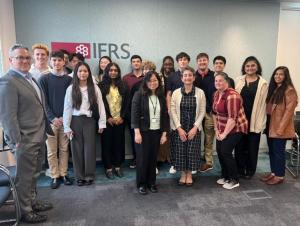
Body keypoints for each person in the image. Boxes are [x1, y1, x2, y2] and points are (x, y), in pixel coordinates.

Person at [0, 44, 54, 223]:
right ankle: (25, 211)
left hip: (38, 136)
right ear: (10, 60)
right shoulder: (7, 81)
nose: (24, 60)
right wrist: (16, 140)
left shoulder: (30, 78)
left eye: (26, 57)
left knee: (34, 174)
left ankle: (32, 202)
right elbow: (8, 116)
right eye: (19, 58)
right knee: (24, 177)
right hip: (24, 140)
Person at [63, 62, 106, 186]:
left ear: (89, 73)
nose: (83, 73)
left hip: (90, 121)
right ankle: (79, 176)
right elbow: (67, 108)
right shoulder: (71, 89)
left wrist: (102, 123)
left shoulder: (94, 87)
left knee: (89, 149)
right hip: (75, 121)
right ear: (76, 73)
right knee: (76, 149)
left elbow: (101, 105)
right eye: (80, 71)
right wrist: (67, 126)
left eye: (85, 71)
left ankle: (89, 175)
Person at [39, 51, 73, 189]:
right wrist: (52, 118)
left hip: (65, 121)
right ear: (50, 61)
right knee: (52, 151)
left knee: (64, 149)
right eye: (54, 60)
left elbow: (70, 102)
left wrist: (64, 119)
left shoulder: (69, 80)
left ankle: (64, 173)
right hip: (50, 122)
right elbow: (43, 101)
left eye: (59, 60)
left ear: (64, 62)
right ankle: (54, 175)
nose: (56, 63)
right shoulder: (44, 79)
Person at [131, 71, 169, 195]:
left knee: (153, 159)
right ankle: (141, 184)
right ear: (146, 82)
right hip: (143, 132)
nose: (153, 83)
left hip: (156, 132)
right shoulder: (139, 95)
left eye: (155, 80)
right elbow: (134, 115)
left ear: (159, 82)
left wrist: (164, 133)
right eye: (150, 81)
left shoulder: (161, 96)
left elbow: (164, 116)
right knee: (142, 159)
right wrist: (137, 132)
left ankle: (151, 182)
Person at [170, 67, 206, 186]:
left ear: (194, 77)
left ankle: (189, 174)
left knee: (191, 151)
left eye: (190, 75)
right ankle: (182, 174)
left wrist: (195, 127)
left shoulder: (200, 92)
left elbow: (202, 111)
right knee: (180, 151)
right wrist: (179, 128)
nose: (187, 78)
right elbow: (173, 111)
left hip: (194, 127)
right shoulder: (176, 93)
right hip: (179, 126)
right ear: (181, 78)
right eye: (185, 75)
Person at [262, 66, 298, 185]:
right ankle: (273, 173)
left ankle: (280, 176)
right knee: (272, 151)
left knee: (278, 152)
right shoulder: (275, 89)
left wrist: (281, 129)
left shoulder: (289, 90)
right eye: (276, 74)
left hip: (279, 127)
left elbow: (289, 112)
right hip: (270, 124)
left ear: (285, 76)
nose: (277, 76)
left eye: (281, 74)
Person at [212, 72, 248, 189]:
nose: (218, 83)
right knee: (219, 151)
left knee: (226, 152)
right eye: (216, 81)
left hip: (236, 128)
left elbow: (232, 119)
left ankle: (234, 179)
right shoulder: (216, 94)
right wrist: (217, 130)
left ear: (226, 81)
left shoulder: (232, 95)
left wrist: (224, 134)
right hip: (222, 127)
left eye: (220, 80)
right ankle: (226, 175)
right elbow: (214, 113)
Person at [235, 56, 268, 179]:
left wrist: (261, 123)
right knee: (239, 146)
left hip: (255, 120)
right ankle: (240, 168)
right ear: (244, 67)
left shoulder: (263, 83)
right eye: (247, 66)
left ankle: (250, 170)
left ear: (257, 67)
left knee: (252, 147)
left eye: (252, 65)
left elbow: (264, 105)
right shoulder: (238, 80)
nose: (250, 68)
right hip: (240, 120)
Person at [99, 62, 129, 179]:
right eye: (111, 70)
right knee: (106, 145)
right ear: (107, 72)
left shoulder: (123, 85)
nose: (113, 72)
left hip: (120, 121)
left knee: (119, 144)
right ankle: (108, 168)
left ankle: (117, 166)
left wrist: (122, 117)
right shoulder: (100, 86)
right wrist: (108, 118)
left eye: (115, 70)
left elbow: (127, 103)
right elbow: (99, 104)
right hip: (107, 121)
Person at [166, 52, 190, 174]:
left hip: (190, 111)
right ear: (177, 62)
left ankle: (189, 165)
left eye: (185, 59)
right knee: (175, 137)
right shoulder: (172, 76)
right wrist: (170, 109)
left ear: (188, 62)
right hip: (175, 111)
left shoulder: (192, 75)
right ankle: (175, 163)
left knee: (189, 137)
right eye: (180, 59)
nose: (183, 61)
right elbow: (168, 94)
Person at [194, 53, 216, 173]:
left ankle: (208, 162)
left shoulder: (214, 76)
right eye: (200, 60)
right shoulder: (193, 76)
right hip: (196, 112)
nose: (202, 62)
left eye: (204, 60)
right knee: (196, 136)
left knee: (208, 137)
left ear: (208, 61)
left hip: (210, 112)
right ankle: (195, 158)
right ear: (197, 62)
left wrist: (213, 109)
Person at [123, 55, 144, 169]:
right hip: (131, 112)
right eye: (133, 62)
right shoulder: (126, 78)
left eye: (138, 61)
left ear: (141, 63)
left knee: (145, 137)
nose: (136, 63)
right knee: (134, 137)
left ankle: (144, 159)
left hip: (145, 113)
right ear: (131, 64)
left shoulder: (147, 76)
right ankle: (136, 159)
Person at [157, 56, 175, 167]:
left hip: (172, 109)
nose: (168, 66)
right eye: (166, 64)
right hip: (159, 109)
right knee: (161, 133)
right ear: (163, 65)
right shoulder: (159, 76)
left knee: (170, 133)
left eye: (170, 64)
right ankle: (160, 157)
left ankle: (169, 156)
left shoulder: (176, 77)